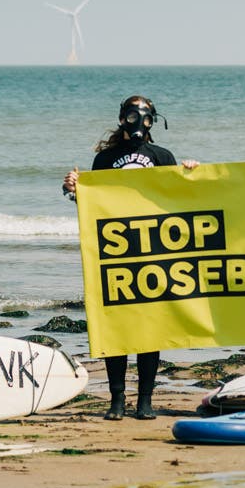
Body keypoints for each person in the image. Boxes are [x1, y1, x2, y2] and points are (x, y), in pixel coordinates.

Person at [60, 95, 196, 420]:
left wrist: (192, 175)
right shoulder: (105, 159)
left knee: (149, 327)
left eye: (145, 117)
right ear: (122, 118)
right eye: (133, 115)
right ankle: (117, 399)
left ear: (153, 121)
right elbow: (95, 206)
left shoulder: (163, 156)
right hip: (117, 253)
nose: (139, 122)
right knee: (117, 328)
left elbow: (180, 200)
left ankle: (145, 400)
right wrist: (75, 190)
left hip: (154, 252)